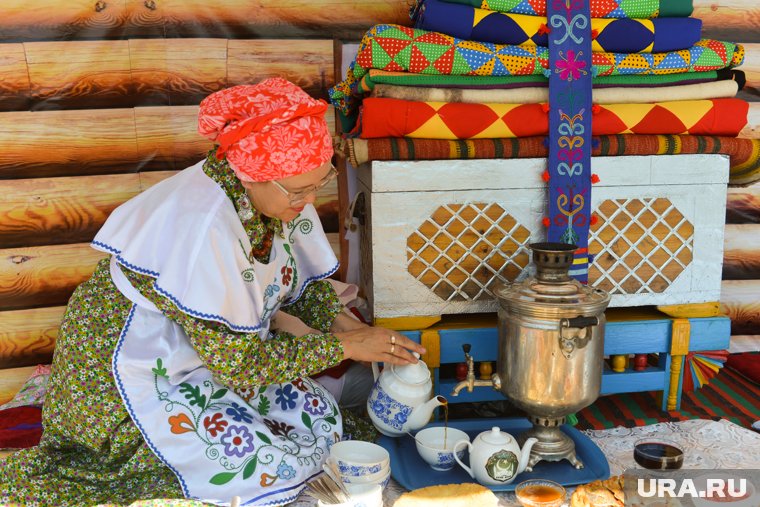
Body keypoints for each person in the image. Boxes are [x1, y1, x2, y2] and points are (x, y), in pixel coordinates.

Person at [0, 78, 425, 507]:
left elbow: (296, 282)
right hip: (134, 361)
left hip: (211, 351)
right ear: (252, 174)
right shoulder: (204, 227)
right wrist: (348, 345)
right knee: (264, 466)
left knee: (316, 417)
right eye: (300, 190)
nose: (310, 200)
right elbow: (242, 367)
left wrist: (345, 326)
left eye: (321, 182)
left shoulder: (279, 195)